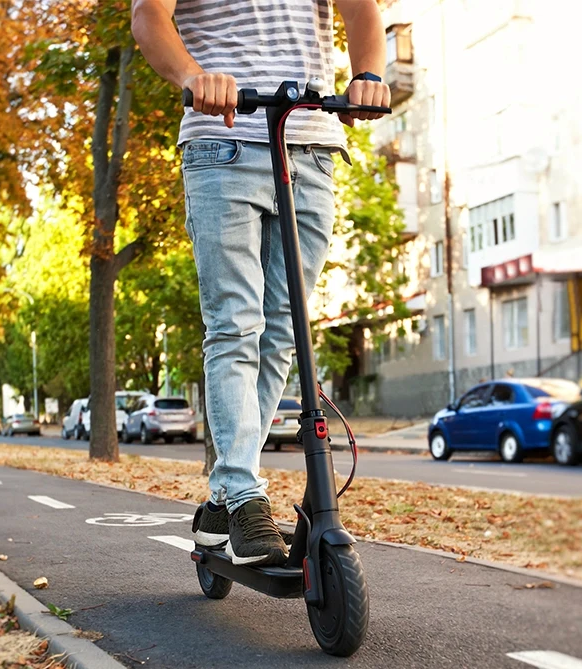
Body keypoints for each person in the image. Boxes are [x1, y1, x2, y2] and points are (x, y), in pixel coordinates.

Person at [132, 0, 390, 566]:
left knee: (282, 331)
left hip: (315, 147)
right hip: (222, 140)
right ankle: (246, 495)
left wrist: (368, 74)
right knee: (235, 324)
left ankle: (223, 498)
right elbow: (149, 15)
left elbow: (361, 10)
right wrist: (194, 77)